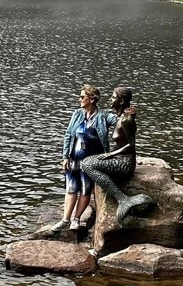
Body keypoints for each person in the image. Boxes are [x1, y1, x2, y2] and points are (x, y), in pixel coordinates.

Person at [81, 86, 152, 224]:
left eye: (113, 97)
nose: (110, 100)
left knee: (87, 164)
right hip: (117, 158)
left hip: (124, 163)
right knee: (87, 161)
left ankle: (123, 199)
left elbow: (131, 145)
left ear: (121, 101)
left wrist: (110, 154)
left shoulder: (126, 120)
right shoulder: (120, 117)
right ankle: (123, 199)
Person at [55, 84, 113, 231]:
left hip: (91, 162)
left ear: (92, 99)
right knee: (71, 188)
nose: (79, 99)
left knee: (86, 190)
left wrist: (129, 112)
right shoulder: (77, 114)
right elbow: (68, 135)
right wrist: (65, 156)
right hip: (74, 158)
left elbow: (119, 118)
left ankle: (77, 219)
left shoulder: (103, 116)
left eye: (82, 97)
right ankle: (65, 220)